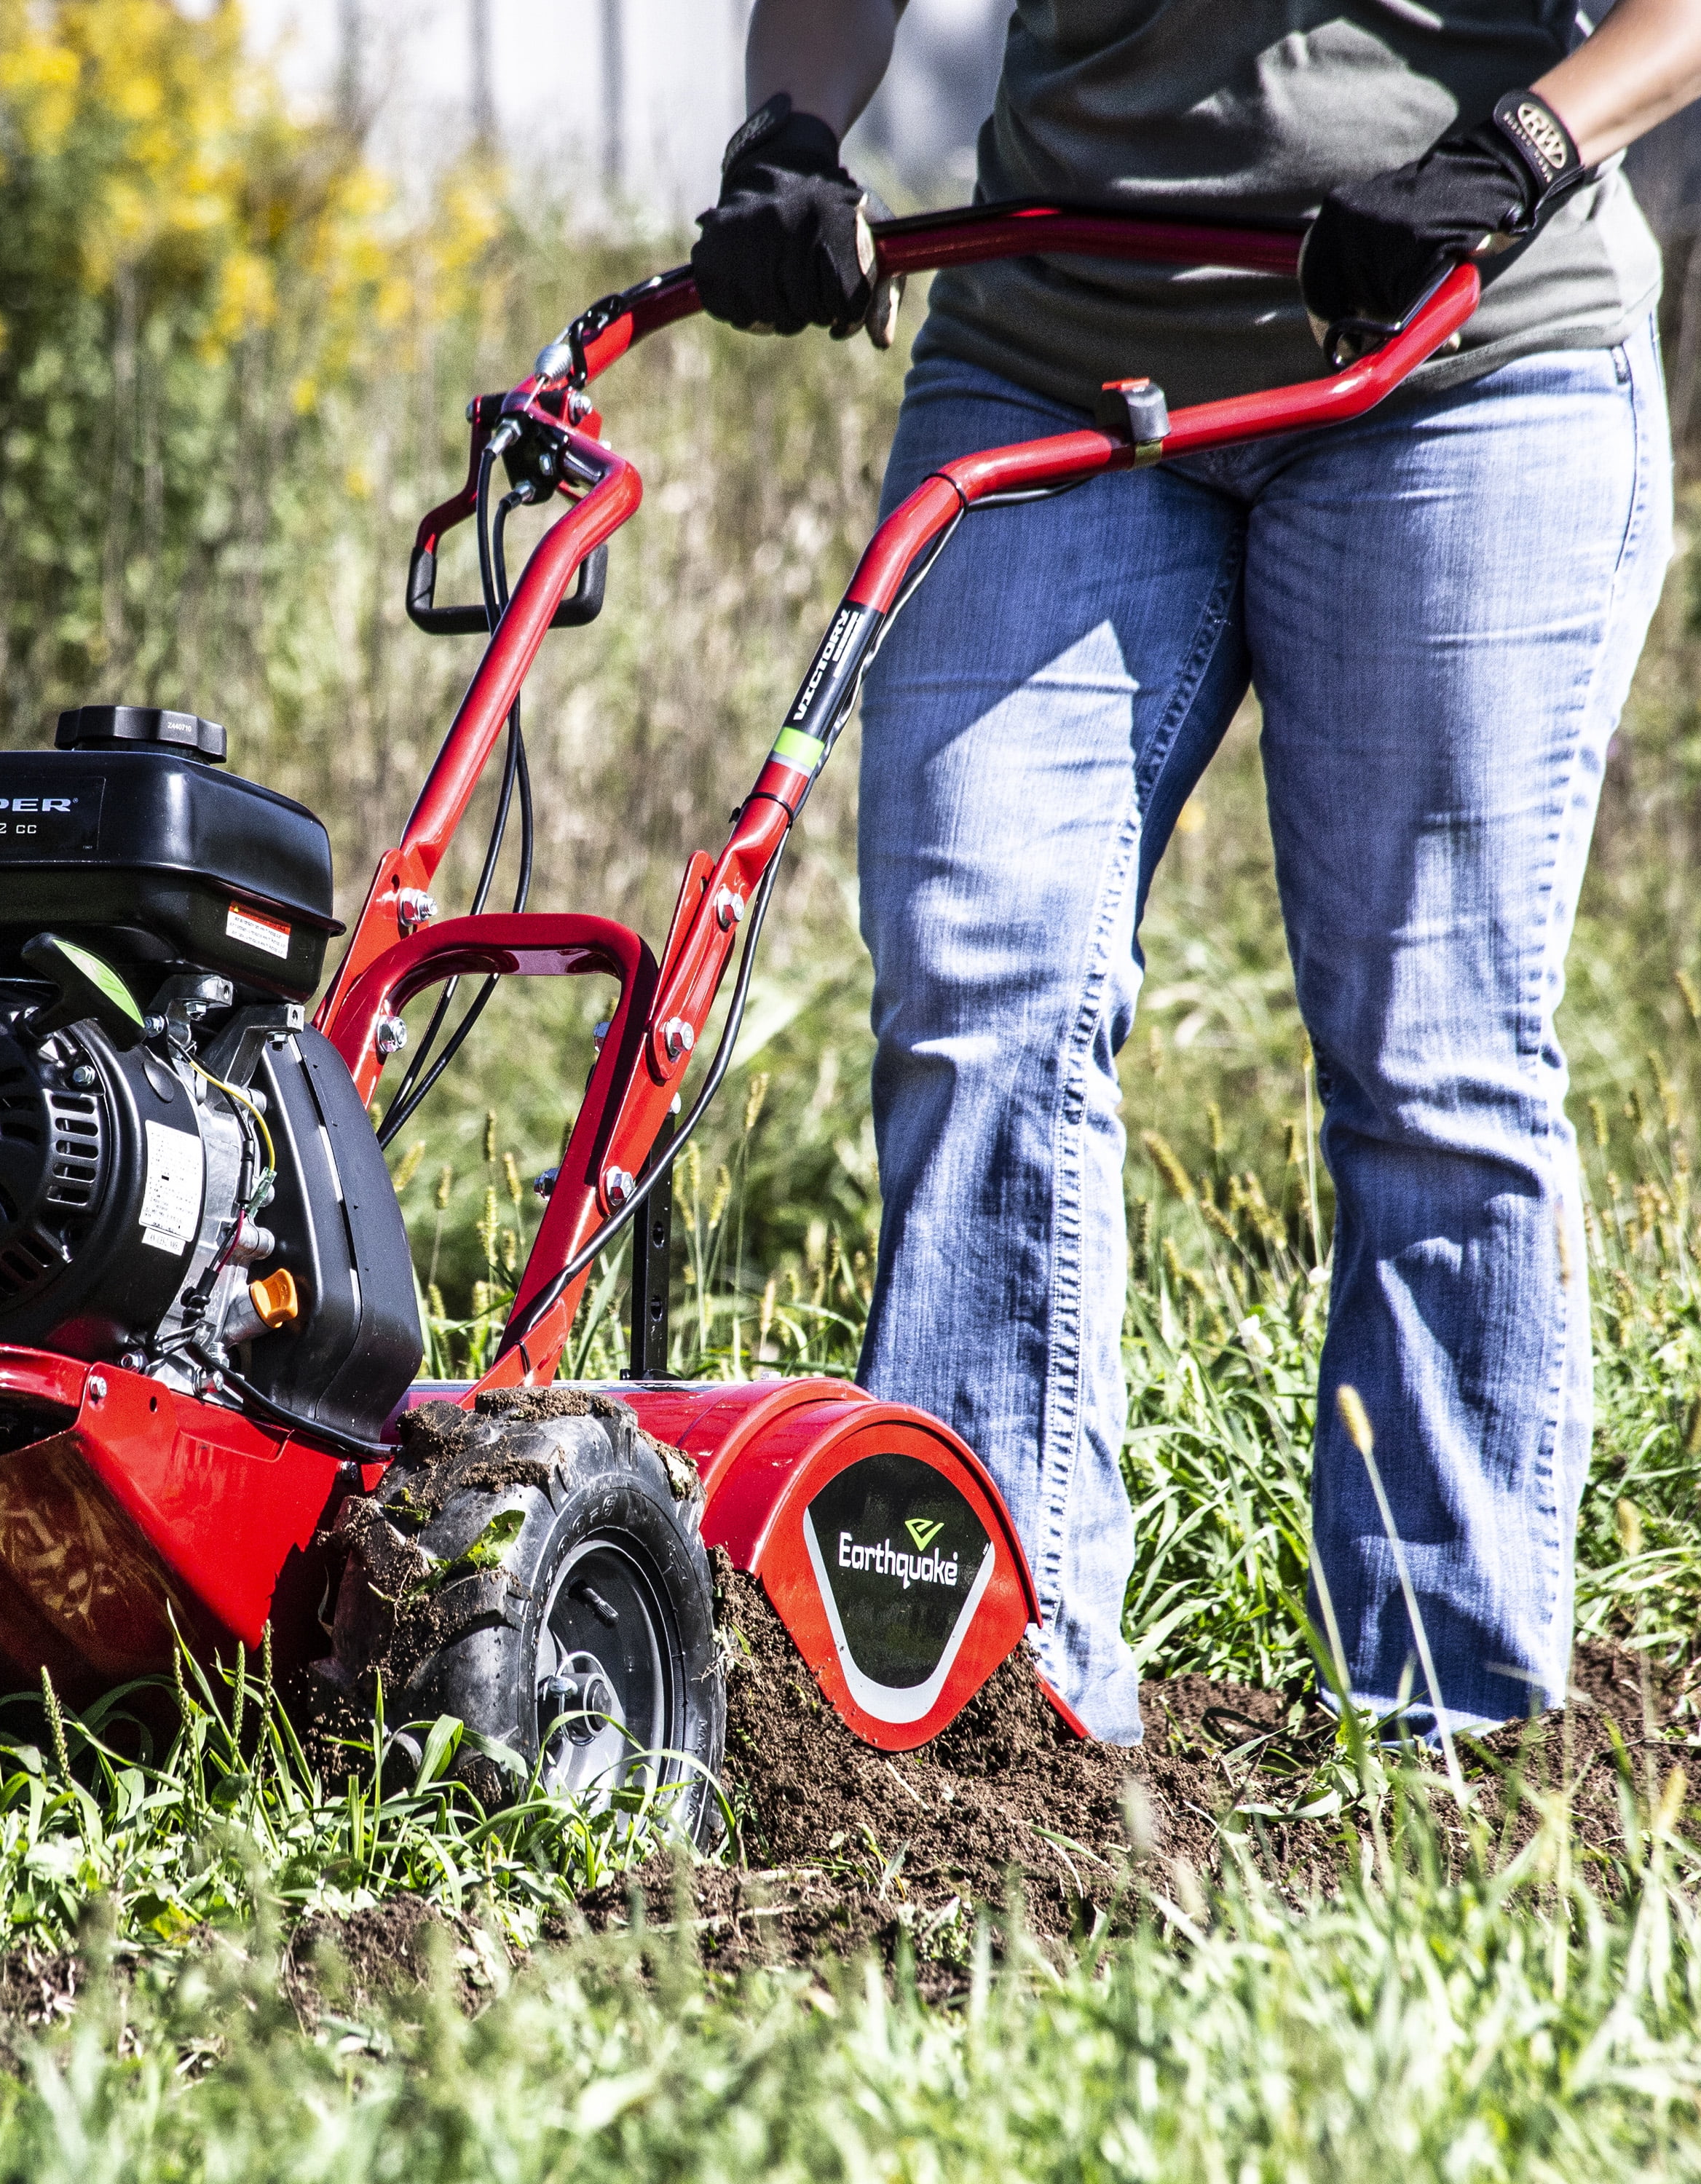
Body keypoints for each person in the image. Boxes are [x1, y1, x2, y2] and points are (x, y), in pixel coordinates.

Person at [692, 0, 1701, 1742]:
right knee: (974, 992)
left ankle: (1446, 1734)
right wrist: (789, 134)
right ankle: (994, 1721)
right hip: (1047, 348)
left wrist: (1515, 148)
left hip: (1461, 357)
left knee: (1429, 1050)